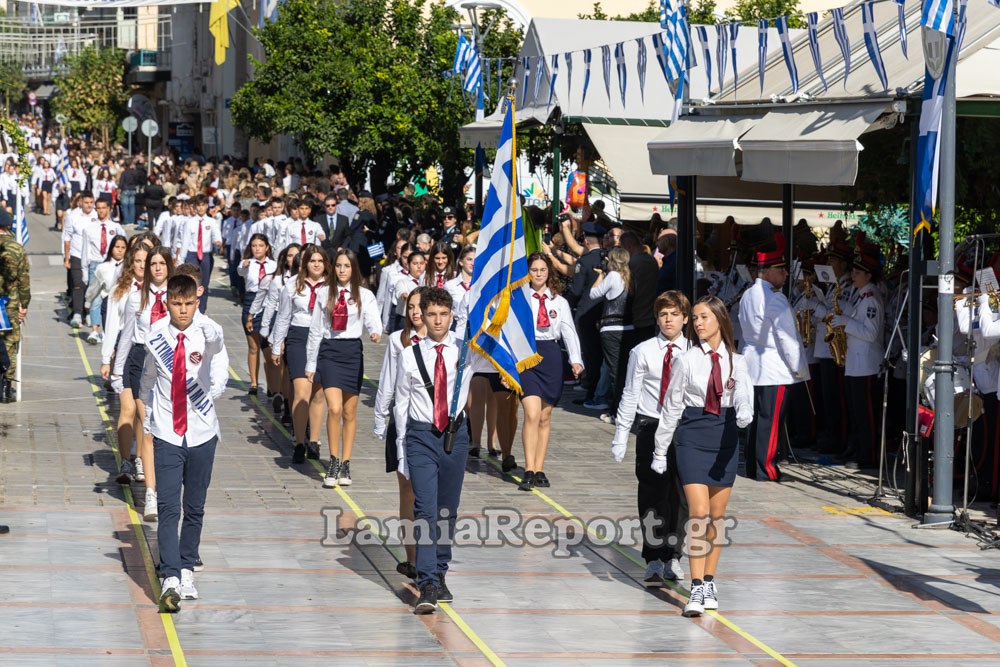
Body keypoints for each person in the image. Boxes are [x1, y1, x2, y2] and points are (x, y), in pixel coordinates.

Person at [653, 296, 753, 617]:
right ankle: (696, 588)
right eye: (694, 318)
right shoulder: (687, 359)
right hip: (693, 435)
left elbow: (744, 392)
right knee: (698, 511)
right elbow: (671, 406)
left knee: (717, 516)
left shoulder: (738, 361)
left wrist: (745, 413)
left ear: (720, 320)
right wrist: (660, 448)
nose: (697, 323)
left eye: (703, 317)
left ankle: (709, 580)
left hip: (724, 437)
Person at [140, 274, 228, 612]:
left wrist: (216, 385)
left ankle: (187, 566)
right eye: (176, 303)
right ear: (168, 302)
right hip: (167, 433)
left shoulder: (207, 331)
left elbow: (219, 351)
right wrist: (149, 414)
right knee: (167, 507)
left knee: (194, 507)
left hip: (202, 432)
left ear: (196, 302)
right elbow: (148, 378)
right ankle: (170, 576)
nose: (182, 310)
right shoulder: (156, 336)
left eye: (189, 303)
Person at [393, 287, 472, 614]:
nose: (438, 321)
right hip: (421, 435)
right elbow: (401, 402)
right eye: (432, 315)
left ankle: (440, 572)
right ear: (422, 317)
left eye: (444, 314)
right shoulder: (409, 354)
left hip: (455, 435)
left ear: (452, 315)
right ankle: (426, 581)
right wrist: (401, 450)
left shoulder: (467, 350)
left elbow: (498, 328)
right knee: (424, 508)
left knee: (447, 509)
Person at [612, 291, 693, 586]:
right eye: (663, 314)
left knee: (681, 496)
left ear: (685, 318)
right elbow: (631, 392)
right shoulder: (643, 351)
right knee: (651, 493)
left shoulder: (694, 351)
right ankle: (654, 555)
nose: (668, 320)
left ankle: (674, 554)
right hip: (651, 425)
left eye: (674, 314)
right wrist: (621, 434)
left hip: (683, 428)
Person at [305, 249, 381, 487]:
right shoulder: (324, 293)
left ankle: (346, 463)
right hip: (330, 351)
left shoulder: (364, 294)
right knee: (334, 408)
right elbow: (316, 329)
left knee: (349, 412)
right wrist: (311, 363)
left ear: (353, 268)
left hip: (352, 353)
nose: (342, 270)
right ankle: (334, 461)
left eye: (346, 266)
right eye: (338, 266)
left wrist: (375, 331)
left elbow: (371, 317)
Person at [737, 236, 807, 482]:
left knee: (756, 418)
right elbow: (787, 339)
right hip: (774, 366)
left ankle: (753, 466)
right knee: (771, 420)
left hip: (753, 364)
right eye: (782, 270)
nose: (786, 274)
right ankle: (767, 468)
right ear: (768, 272)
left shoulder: (748, 294)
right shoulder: (775, 298)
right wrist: (799, 369)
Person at [114, 246, 176, 521]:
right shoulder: (136, 297)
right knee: (148, 424)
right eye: (153, 264)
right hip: (143, 359)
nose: (157, 268)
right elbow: (126, 334)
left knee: (170, 428)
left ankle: (169, 484)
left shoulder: (179, 296)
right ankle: (152, 492)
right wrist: (117, 372)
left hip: (173, 361)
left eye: (162, 264)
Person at [373, 287, 428, 580]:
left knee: (427, 493)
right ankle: (412, 557)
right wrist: (381, 418)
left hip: (429, 423)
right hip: (402, 422)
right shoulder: (398, 340)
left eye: (421, 307)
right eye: (411, 308)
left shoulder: (440, 342)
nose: (415, 312)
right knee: (406, 491)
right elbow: (388, 380)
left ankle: (429, 554)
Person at [518, 253, 583, 490]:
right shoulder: (520, 298)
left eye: (542, 270)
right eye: (534, 270)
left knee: (545, 417)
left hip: (551, 356)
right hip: (527, 355)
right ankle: (527, 468)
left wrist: (576, 360)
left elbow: (569, 332)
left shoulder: (559, 301)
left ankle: (539, 468)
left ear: (549, 272)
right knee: (532, 413)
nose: (538, 274)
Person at [271, 244, 331, 464]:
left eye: (319, 261)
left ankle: (314, 440)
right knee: (301, 391)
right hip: (299, 336)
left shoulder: (331, 285)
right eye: (311, 261)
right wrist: (277, 345)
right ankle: (298, 442)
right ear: (305, 263)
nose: (316, 265)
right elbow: (284, 316)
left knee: (318, 392)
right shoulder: (292, 284)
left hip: (323, 338)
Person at [829, 240, 884, 468]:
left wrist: (845, 322)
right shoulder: (859, 295)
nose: (853, 274)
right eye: (853, 270)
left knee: (866, 415)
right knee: (855, 412)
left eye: (857, 271)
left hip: (866, 364)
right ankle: (855, 449)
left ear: (868, 275)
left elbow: (870, 333)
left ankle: (868, 457)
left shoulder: (871, 298)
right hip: (854, 362)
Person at [103, 244, 149, 484]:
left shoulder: (157, 291)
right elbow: (112, 327)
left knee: (144, 414)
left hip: (148, 355)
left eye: (146, 262)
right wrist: (106, 359)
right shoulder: (121, 291)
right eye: (138, 261)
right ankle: (125, 461)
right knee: (128, 409)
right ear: (131, 263)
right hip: (125, 350)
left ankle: (141, 458)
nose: (142, 266)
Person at [589, 247, 633, 422]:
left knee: (615, 372)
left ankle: (617, 412)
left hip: (611, 329)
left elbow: (593, 294)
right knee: (624, 370)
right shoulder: (630, 276)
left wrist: (600, 276)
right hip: (628, 328)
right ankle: (624, 410)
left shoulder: (613, 276)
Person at [237, 234, 276, 398]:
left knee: (268, 346)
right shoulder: (247, 264)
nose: (257, 248)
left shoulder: (274, 265)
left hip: (269, 303)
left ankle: (272, 384)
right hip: (251, 300)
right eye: (254, 245)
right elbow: (240, 271)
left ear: (267, 247)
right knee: (253, 346)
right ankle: (253, 383)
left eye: (261, 245)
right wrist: (244, 265)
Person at [0, 209, 30, 403]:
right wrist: (24, 303)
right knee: (9, 343)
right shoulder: (17, 248)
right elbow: (23, 281)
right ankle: (5, 385)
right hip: (9, 303)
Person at [174, 195, 222, 312]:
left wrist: (218, 241)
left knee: (204, 285)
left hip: (206, 255)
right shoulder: (190, 222)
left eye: (203, 205)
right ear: (195, 207)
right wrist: (180, 260)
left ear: (206, 206)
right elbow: (185, 242)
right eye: (198, 206)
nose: (200, 208)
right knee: (191, 283)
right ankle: (190, 308)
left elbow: (216, 234)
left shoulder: (211, 221)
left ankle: (201, 310)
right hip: (192, 254)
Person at [84, 234, 128, 345]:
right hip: (108, 303)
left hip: (125, 304)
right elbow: (94, 287)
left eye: (123, 248)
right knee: (110, 339)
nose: (120, 250)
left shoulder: (129, 267)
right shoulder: (103, 267)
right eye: (117, 247)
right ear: (111, 248)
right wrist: (88, 301)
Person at [63, 194, 98, 328]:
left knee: (91, 285)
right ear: (80, 203)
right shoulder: (72, 216)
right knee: (78, 284)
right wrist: (67, 258)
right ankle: (77, 314)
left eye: (91, 202)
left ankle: (88, 313)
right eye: (86, 202)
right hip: (77, 255)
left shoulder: (96, 216)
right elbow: (67, 237)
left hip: (93, 256)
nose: (89, 205)